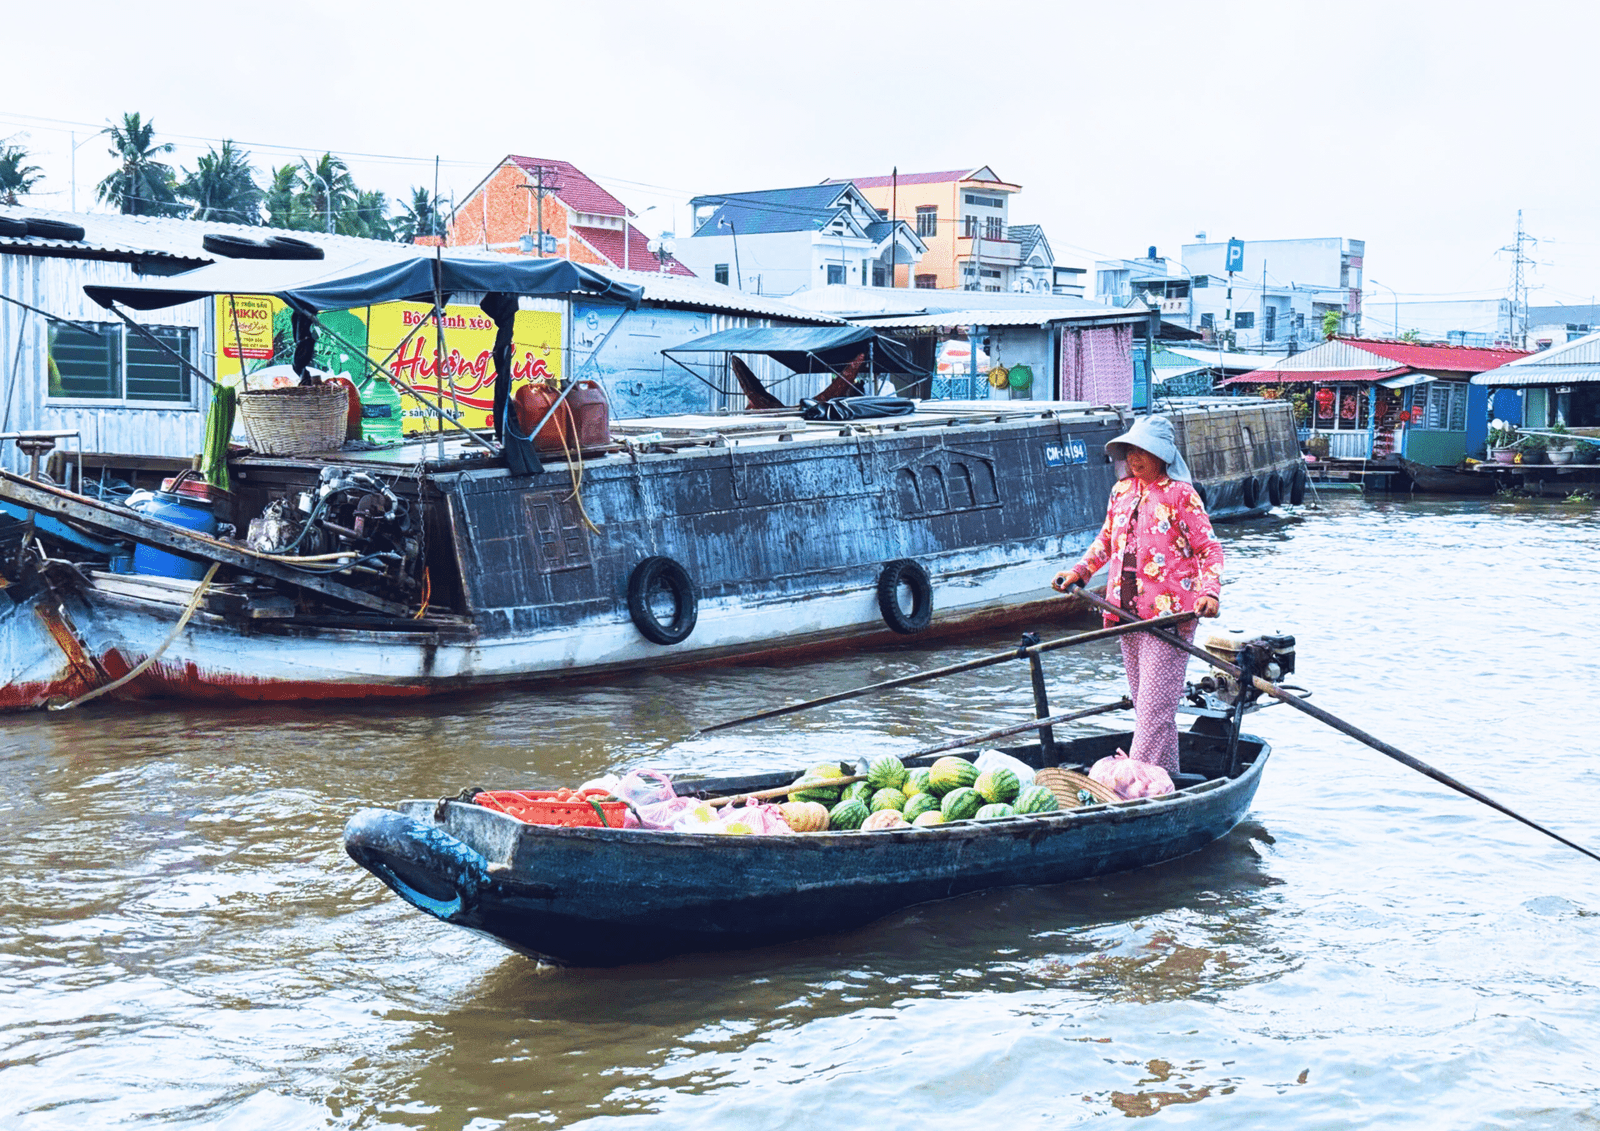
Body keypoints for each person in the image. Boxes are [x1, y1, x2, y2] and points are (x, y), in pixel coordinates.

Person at [1050, 415, 1224, 776]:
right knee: (1150, 707)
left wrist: (1210, 593)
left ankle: (1134, 785)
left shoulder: (1180, 494)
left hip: (1168, 617)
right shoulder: (1122, 491)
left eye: (1142, 451)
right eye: (1130, 451)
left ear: (1162, 455)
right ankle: (1166, 778)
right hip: (1124, 613)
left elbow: (1209, 549)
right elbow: (1106, 540)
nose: (1134, 458)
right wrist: (1080, 571)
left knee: (1153, 710)